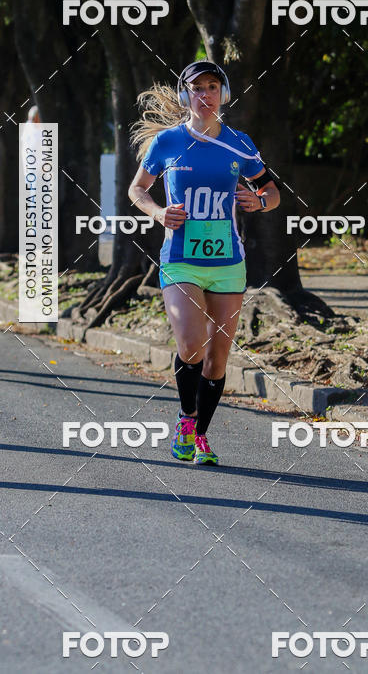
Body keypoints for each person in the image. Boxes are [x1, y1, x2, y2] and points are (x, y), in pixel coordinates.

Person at [128, 61, 280, 465]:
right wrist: (159, 213)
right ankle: (185, 418)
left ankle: (200, 437)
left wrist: (260, 201)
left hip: (228, 263)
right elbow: (137, 189)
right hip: (180, 260)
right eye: (197, 88)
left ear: (223, 94)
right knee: (191, 343)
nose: (205, 94)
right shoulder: (167, 143)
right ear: (186, 96)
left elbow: (272, 191)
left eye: (213, 87)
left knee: (217, 360)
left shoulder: (239, 143)